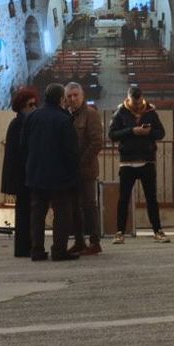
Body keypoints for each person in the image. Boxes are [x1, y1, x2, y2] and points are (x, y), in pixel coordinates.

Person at [23, 84, 79, 262]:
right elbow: (70, 151)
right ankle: (59, 250)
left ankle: (37, 250)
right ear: (61, 99)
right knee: (62, 213)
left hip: (36, 173)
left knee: (37, 214)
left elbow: (23, 145)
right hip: (59, 175)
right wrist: (73, 173)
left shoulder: (32, 117)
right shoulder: (64, 120)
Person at [108, 84, 168, 242]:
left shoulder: (150, 111)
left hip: (147, 160)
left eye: (140, 103)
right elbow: (112, 134)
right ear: (128, 100)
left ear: (142, 99)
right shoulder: (120, 112)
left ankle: (158, 231)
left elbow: (161, 133)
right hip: (127, 162)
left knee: (151, 199)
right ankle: (120, 232)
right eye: (135, 104)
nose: (138, 107)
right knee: (124, 199)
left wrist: (149, 133)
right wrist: (132, 131)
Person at [64, 82, 105, 256]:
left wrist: (81, 161)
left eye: (76, 95)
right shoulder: (66, 116)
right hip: (69, 172)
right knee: (74, 208)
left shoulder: (91, 114)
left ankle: (94, 242)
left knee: (89, 206)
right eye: (69, 96)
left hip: (86, 170)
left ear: (82, 96)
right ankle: (79, 241)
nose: (73, 99)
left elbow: (97, 142)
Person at [0, 86, 38, 258]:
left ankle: (26, 246)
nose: (34, 108)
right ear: (22, 106)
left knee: (26, 212)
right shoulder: (18, 124)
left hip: (24, 176)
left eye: (35, 104)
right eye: (30, 105)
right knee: (23, 213)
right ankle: (23, 248)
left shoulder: (24, 123)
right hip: (21, 177)